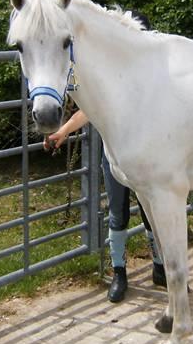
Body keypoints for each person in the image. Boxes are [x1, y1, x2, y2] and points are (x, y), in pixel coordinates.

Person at [44, 109, 166, 302]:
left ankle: (160, 267)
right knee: (118, 212)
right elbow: (88, 110)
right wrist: (64, 130)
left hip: (143, 155)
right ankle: (119, 273)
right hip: (113, 158)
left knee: (149, 210)